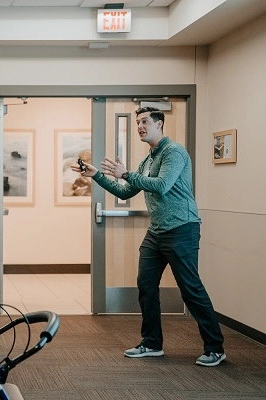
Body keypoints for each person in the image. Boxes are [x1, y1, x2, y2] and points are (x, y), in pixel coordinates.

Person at [71, 106, 226, 367]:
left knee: (190, 290)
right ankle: (152, 343)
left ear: (160, 124)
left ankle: (215, 348)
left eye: (145, 122)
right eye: (138, 123)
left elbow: (162, 185)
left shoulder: (173, 152)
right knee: (146, 286)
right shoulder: (147, 160)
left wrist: (127, 173)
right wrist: (96, 175)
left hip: (182, 229)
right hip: (156, 232)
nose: (140, 127)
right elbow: (125, 192)